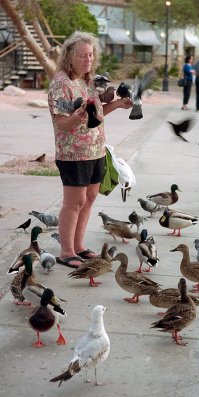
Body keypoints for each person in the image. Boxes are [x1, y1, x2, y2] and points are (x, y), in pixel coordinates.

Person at [48, 31, 132, 268]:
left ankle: (79, 247)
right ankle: (66, 252)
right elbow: (61, 122)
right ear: (69, 56)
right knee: (74, 202)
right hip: (73, 154)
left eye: (91, 55)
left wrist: (118, 104)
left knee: (90, 198)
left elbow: (97, 112)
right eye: (83, 55)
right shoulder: (61, 85)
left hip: (95, 150)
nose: (88, 59)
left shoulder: (87, 81)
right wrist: (75, 118)